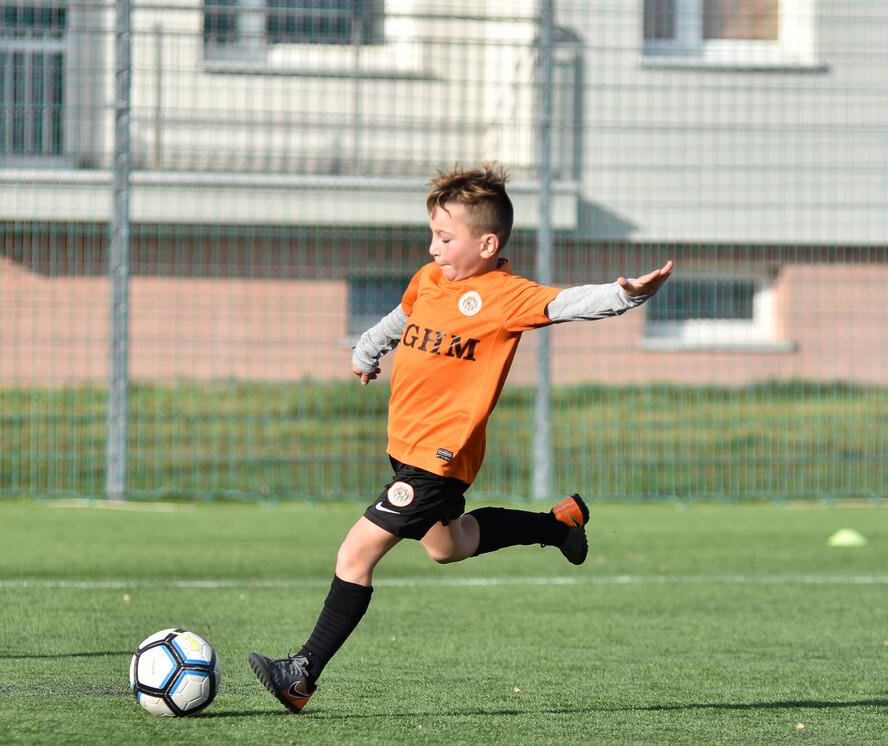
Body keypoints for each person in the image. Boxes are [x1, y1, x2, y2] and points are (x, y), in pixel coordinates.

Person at [248, 162, 673, 713]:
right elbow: (400, 319)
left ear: (487, 243)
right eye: (432, 235)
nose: (433, 248)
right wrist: (366, 349)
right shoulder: (431, 281)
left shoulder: (503, 297)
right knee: (450, 546)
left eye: (445, 238)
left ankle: (301, 674)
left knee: (355, 554)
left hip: (438, 461)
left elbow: (565, 304)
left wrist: (625, 293)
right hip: (405, 451)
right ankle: (558, 524)